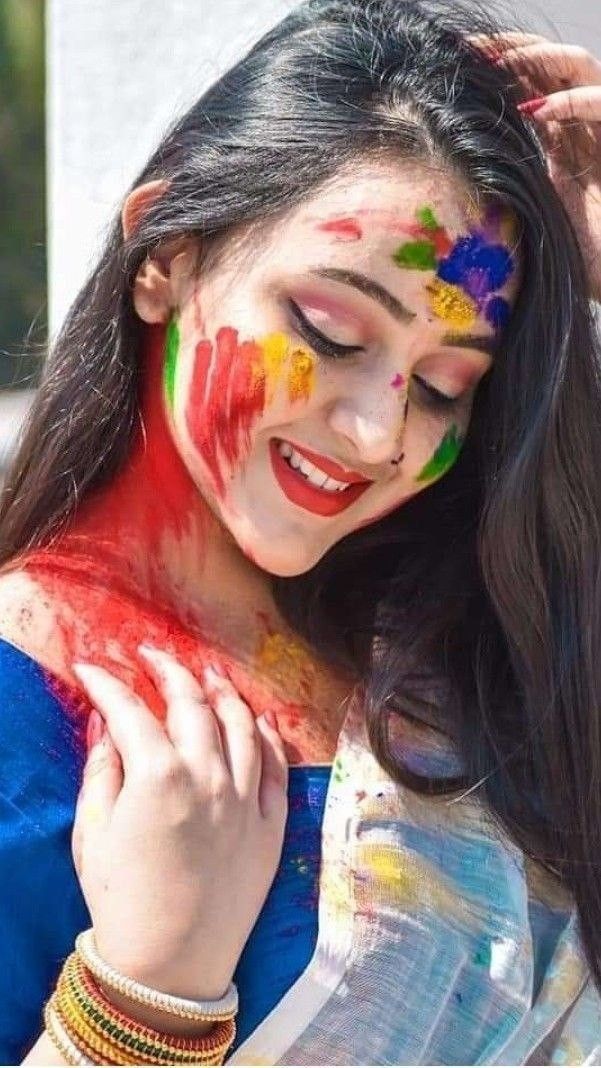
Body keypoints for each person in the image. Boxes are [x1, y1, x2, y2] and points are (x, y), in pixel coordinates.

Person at [1, 0, 601, 1062]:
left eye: (445, 386)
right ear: (166, 253)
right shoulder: (21, 699)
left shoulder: (446, 637)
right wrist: (144, 993)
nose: (380, 432)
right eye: (328, 330)